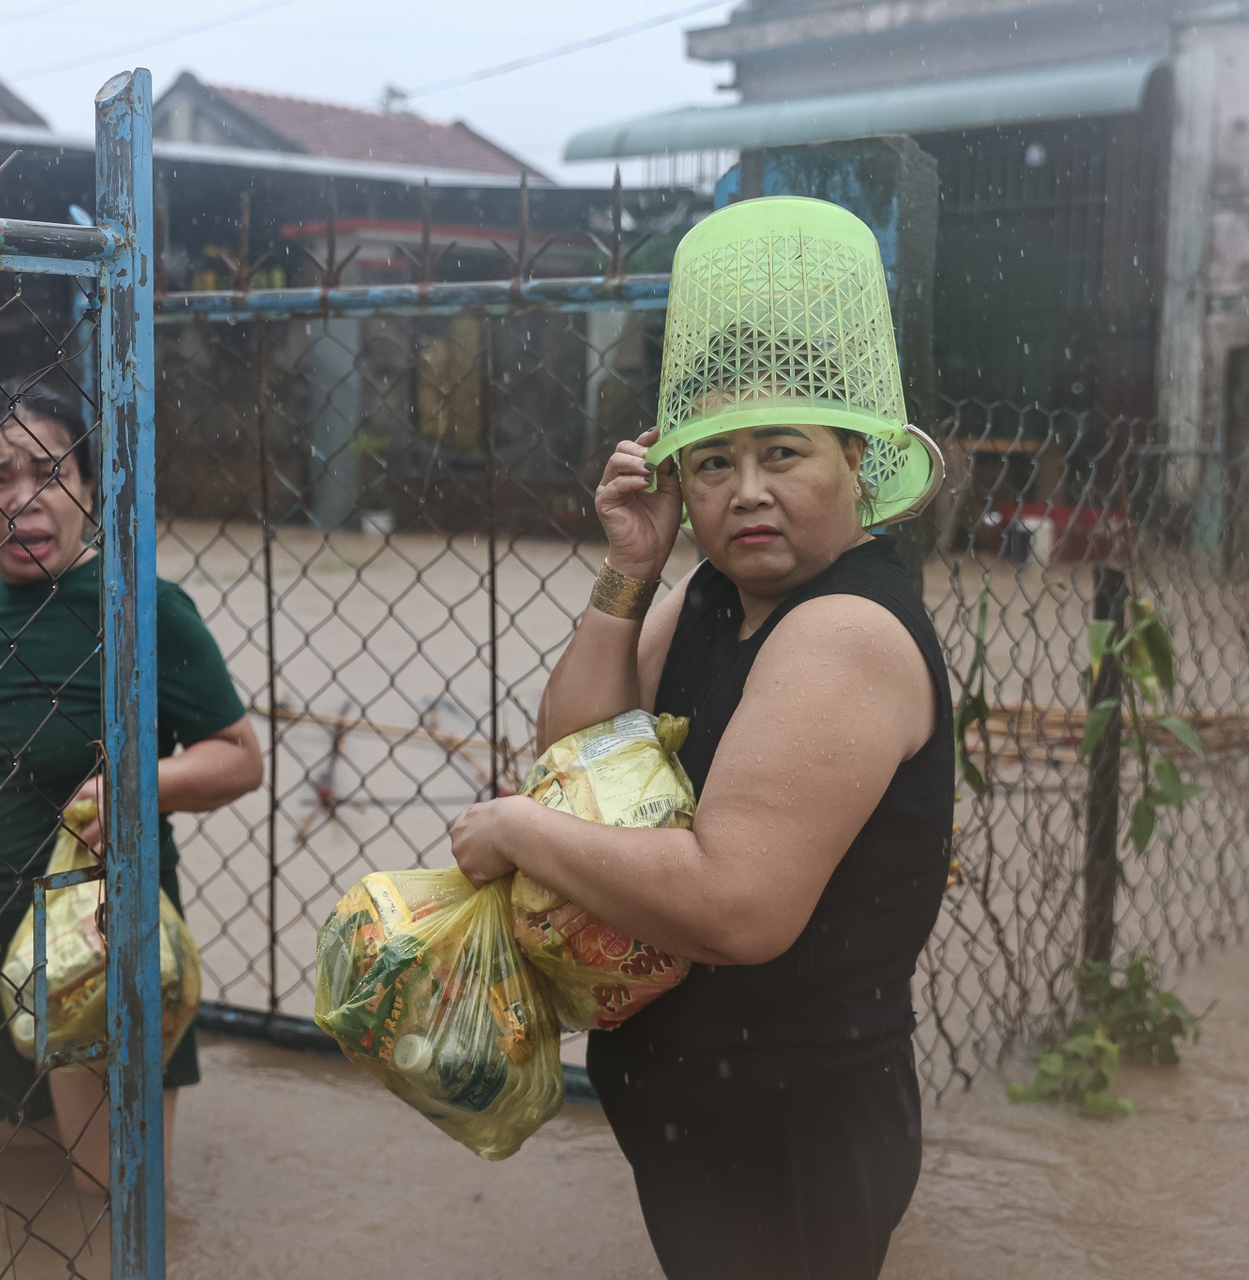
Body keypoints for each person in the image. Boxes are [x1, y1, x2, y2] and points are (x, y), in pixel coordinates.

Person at [448, 198, 953, 1279]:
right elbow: (580, 753)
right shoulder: (714, 597)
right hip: (705, 1101)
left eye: (784, 451)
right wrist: (630, 568)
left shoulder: (846, 630)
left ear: (859, 463)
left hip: (791, 1115)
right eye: (713, 463)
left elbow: (738, 904)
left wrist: (519, 832)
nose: (749, 490)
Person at [0, 386, 262, 1187]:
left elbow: (237, 757)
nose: (21, 499)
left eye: (47, 471)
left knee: (109, 1202)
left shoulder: (144, 606)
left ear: (89, 486)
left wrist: (136, 787)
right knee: (18, 1182)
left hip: (95, 950)